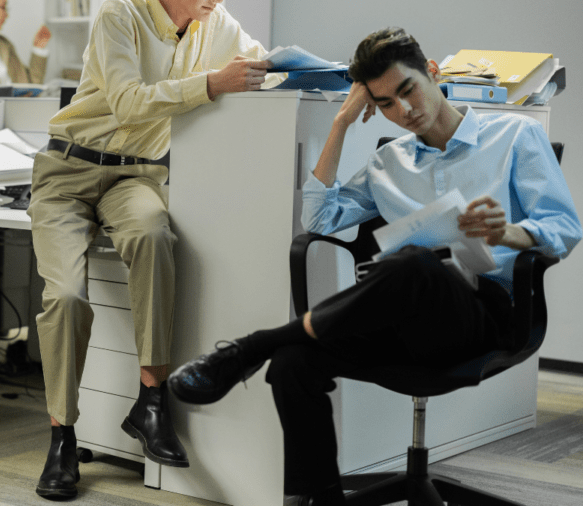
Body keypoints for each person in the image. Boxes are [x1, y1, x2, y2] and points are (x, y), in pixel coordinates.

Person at [168, 27, 582, 505]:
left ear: (432, 72)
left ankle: (250, 346)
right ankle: (319, 496)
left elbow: (564, 227)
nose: (404, 111)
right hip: (406, 318)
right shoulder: (389, 161)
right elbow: (319, 218)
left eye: (407, 89)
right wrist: (342, 122)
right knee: (292, 363)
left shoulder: (514, 134)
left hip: (486, 315)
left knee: (416, 265)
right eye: (385, 104)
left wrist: (509, 233)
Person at [27, 0, 284, 499]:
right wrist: (212, 84)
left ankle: (149, 401)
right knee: (66, 297)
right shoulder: (121, 14)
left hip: (136, 175)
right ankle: (61, 436)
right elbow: (128, 101)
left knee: (154, 237)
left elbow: (270, 68)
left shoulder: (219, 26)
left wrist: (358, 78)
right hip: (66, 172)